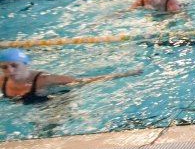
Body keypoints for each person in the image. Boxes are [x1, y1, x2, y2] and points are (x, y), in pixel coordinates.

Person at [0, 48, 140, 103]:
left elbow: (82, 81)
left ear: (26, 64)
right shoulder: (2, 82)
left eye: (15, 65)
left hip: (58, 100)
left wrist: (123, 74)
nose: (10, 71)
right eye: (4, 67)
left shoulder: (45, 79)